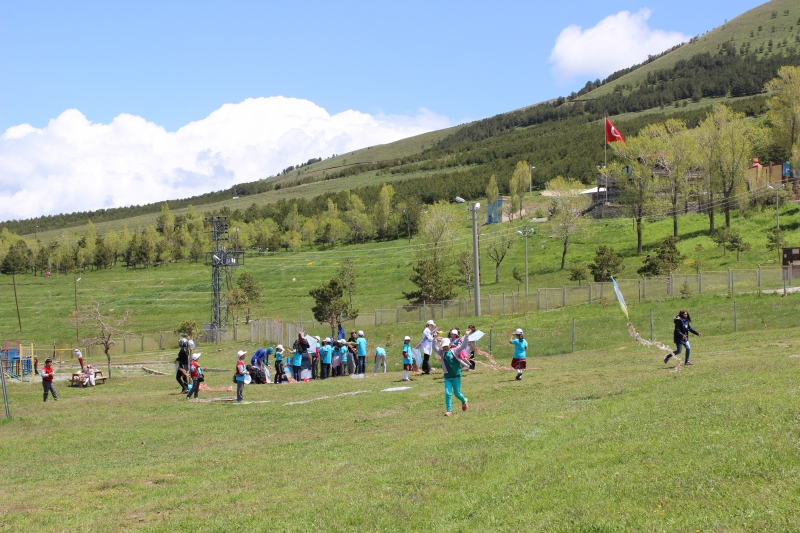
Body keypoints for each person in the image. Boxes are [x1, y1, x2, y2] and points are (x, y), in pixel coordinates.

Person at [437, 338, 469, 416]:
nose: (445, 347)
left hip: (456, 376)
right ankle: (449, 410)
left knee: (457, 393)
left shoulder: (455, 351)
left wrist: (467, 336)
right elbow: (434, 347)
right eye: (443, 346)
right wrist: (434, 338)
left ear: (450, 345)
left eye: (446, 346)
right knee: (448, 393)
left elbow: (463, 346)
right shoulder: (441, 353)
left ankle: (464, 400)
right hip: (447, 377)